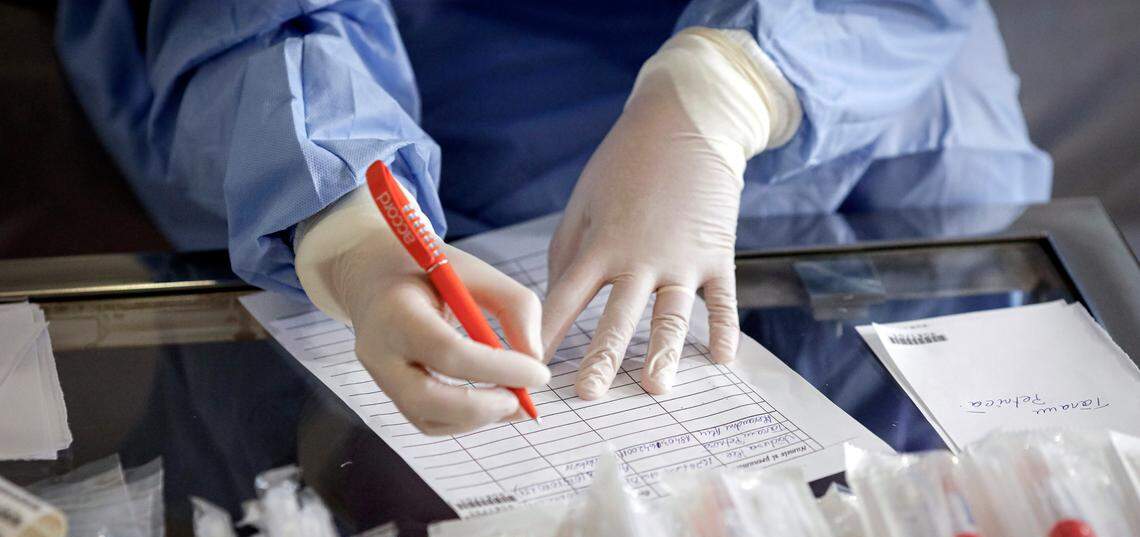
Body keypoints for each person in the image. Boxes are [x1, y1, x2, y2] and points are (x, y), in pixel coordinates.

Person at [56, 1, 1051, 434]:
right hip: (401, 43)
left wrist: (732, 83)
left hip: (861, 34)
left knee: (954, 281)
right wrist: (346, 220)